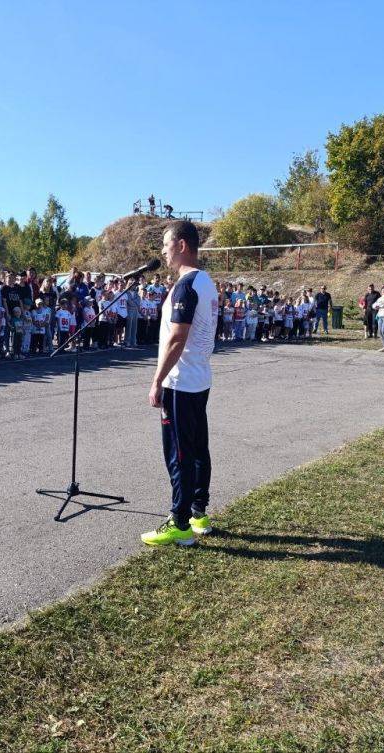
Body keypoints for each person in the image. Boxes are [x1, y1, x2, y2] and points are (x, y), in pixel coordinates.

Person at [141, 221, 216, 547]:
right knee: (198, 448)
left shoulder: (187, 285)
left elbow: (177, 338)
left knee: (179, 453)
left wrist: (157, 380)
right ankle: (199, 512)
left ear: (182, 245)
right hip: (198, 378)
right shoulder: (207, 282)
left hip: (180, 382)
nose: (163, 251)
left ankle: (180, 522)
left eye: (166, 244)